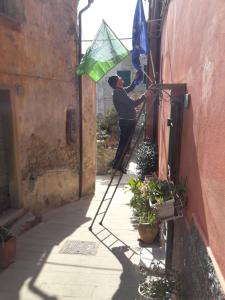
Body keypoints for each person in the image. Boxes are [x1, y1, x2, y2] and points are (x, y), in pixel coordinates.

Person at [108, 73, 151, 173]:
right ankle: (116, 164)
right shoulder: (118, 93)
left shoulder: (120, 91)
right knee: (124, 144)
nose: (122, 78)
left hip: (128, 121)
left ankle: (117, 163)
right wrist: (144, 96)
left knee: (126, 145)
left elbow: (130, 88)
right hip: (126, 122)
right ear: (117, 82)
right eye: (119, 78)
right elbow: (133, 103)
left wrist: (135, 80)